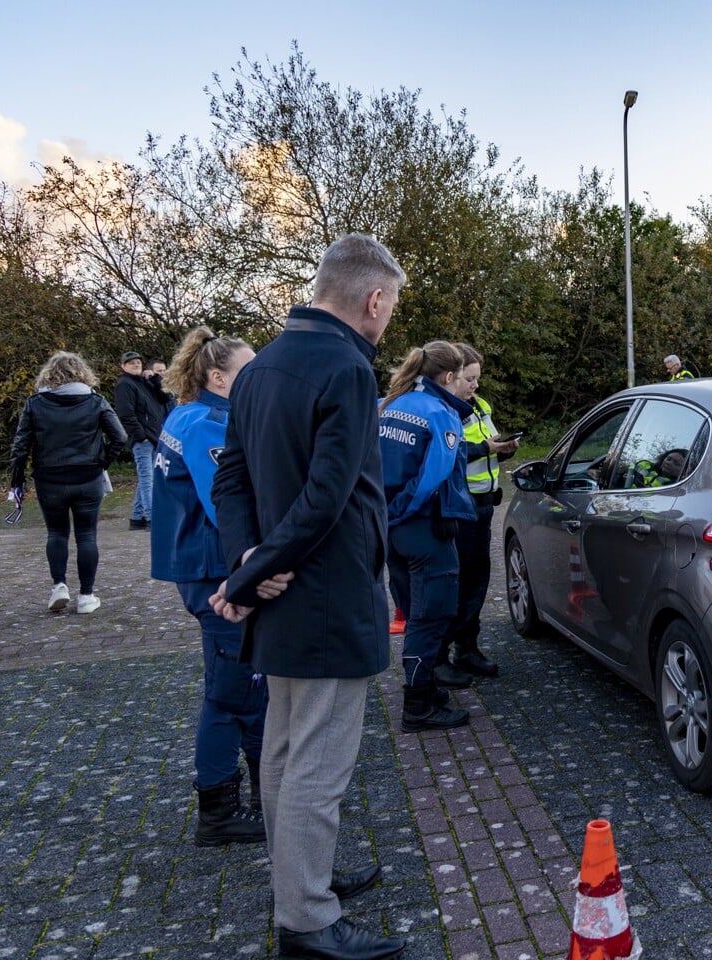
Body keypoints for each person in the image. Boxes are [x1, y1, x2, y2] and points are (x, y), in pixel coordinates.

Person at [209, 233, 407, 960]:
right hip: (327, 592)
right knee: (318, 761)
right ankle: (306, 921)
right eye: (390, 307)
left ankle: (304, 880)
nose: (387, 321)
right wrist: (247, 574)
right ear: (373, 299)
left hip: (281, 584)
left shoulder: (259, 369)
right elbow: (327, 498)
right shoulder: (348, 369)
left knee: (286, 747)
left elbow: (230, 481)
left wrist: (249, 560)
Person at [151, 326, 272, 848]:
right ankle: (219, 808)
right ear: (217, 376)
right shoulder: (205, 424)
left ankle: (262, 790)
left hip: (201, 568)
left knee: (246, 686)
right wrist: (252, 573)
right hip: (215, 575)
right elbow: (226, 505)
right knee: (231, 693)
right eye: (249, 372)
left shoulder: (185, 414)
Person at [378, 340, 480, 716]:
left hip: (388, 529)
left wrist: (386, 513)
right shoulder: (440, 412)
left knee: (410, 607)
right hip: (424, 525)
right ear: (450, 376)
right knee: (431, 614)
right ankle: (419, 704)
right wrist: (404, 508)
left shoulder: (386, 405)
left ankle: (426, 690)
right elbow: (431, 477)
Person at [9, 351, 128, 615]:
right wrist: (102, 462)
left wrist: (16, 481)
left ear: (49, 374)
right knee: (86, 535)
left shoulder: (35, 403)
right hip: (88, 476)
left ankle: (59, 586)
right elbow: (119, 436)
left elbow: (20, 446)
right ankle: (86, 596)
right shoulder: (96, 401)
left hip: (50, 477)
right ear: (82, 373)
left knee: (57, 533)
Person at [449, 343, 519, 678]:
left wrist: (503, 449)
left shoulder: (480, 406)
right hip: (460, 508)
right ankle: (446, 652)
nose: (475, 385)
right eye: (469, 378)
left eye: (478, 378)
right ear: (451, 376)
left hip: (484, 505)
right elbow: (451, 455)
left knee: (477, 580)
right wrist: (484, 448)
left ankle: (468, 648)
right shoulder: (447, 410)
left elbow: (487, 449)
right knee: (460, 581)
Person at [113, 350, 168, 529]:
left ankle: (137, 518)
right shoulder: (124, 385)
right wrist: (140, 436)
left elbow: (164, 397)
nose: (136, 364)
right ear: (123, 366)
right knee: (148, 479)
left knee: (147, 477)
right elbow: (125, 414)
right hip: (143, 440)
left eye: (138, 362)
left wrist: (155, 379)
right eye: (131, 363)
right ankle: (153, 518)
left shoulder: (145, 382)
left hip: (154, 436)